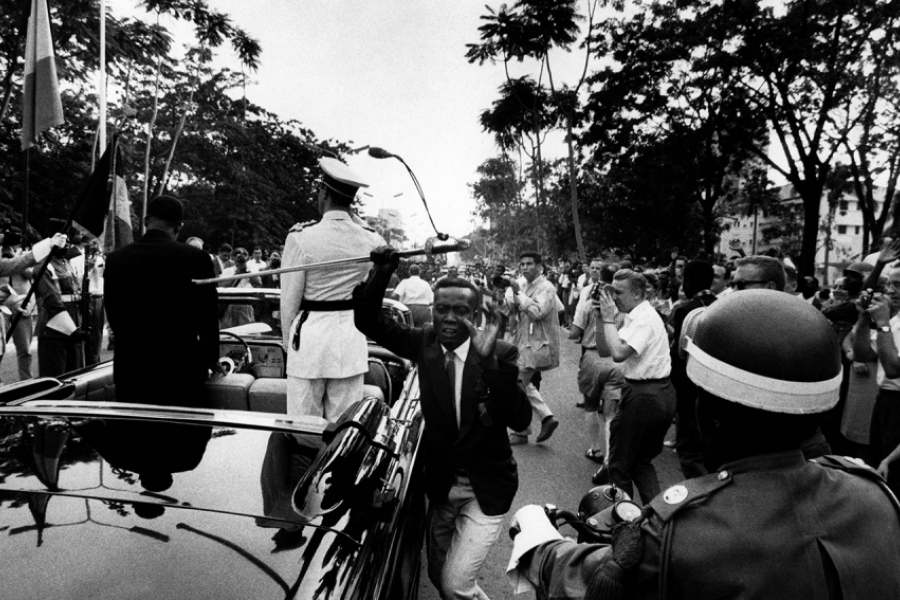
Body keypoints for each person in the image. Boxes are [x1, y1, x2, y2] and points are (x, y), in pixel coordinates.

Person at [509, 291, 900, 600]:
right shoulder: (874, 494)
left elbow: (580, 576)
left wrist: (535, 535)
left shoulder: (682, 530)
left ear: (709, 415)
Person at [354, 245, 531, 600]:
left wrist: (491, 365)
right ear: (432, 311)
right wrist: (382, 273)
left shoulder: (500, 353)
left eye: (461, 311)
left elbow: (522, 419)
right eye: (442, 309)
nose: (450, 318)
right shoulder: (425, 342)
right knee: (439, 576)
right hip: (440, 487)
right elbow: (367, 321)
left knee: (454, 584)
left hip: (486, 490)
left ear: (477, 314)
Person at [280, 157, 385, 423]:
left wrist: (287, 345)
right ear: (351, 199)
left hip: (309, 343)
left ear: (324, 192)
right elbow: (380, 246)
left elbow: (289, 303)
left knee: (303, 429)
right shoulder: (370, 238)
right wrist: (354, 218)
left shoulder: (301, 237)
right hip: (350, 340)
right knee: (344, 427)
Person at [104, 195, 221, 407]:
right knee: (181, 435)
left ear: (146, 221)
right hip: (180, 366)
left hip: (131, 366)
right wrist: (211, 356)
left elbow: (113, 312)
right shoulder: (196, 258)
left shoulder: (116, 259)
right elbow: (208, 315)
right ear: (179, 226)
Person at [592, 269, 675, 502]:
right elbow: (605, 348)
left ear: (637, 294)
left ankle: (625, 523)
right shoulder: (639, 314)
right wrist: (601, 319)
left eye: (618, 292)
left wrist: (608, 318)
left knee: (619, 466)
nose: (613, 298)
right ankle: (656, 518)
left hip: (643, 395)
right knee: (640, 463)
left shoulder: (642, 318)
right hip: (658, 393)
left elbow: (617, 353)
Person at [667, 259, 716, 479]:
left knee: (689, 451)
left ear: (687, 281)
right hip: (715, 387)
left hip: (688, 388)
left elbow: (679, 354)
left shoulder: (686, 310)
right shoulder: (720, 306)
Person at [506, 251, 561, 445]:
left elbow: (537, 312)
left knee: (516, 385)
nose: (525, 267)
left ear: (540, 267)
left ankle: (523, 430)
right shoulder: (525, 286)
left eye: (529, 264)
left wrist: (519, 294)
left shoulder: (547, 288)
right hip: (525, 343)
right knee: (519, 383)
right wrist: (512, 294)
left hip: (538, 345)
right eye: (522, 264)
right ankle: (545, 418)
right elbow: (513, 311)